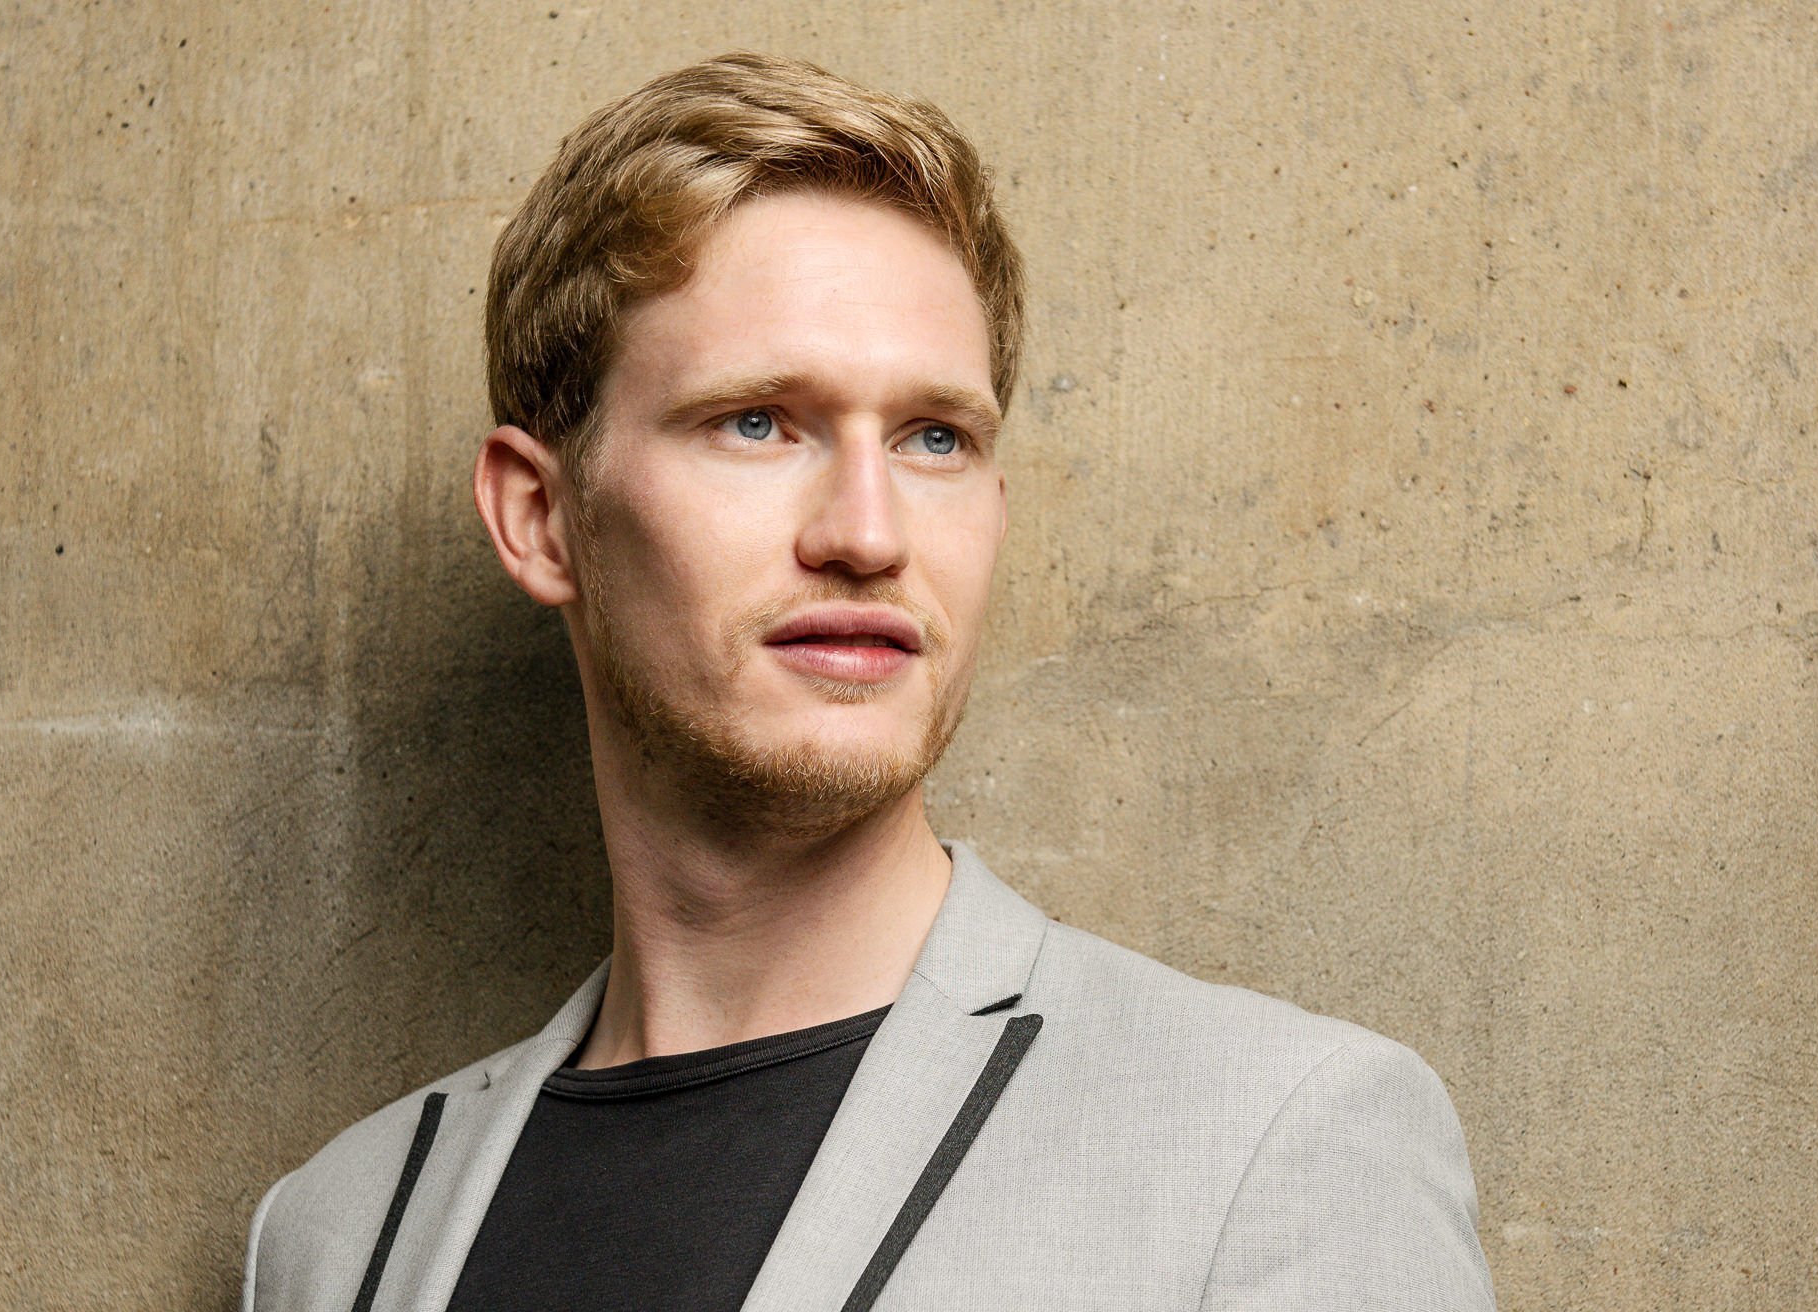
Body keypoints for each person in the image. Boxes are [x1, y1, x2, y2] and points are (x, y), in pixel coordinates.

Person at [242, 52, 1495, 1312]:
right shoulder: (334, 1234)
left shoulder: (1275, 1142)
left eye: (933, 438)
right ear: (541, 518)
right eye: (758, 421)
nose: (868, 530)